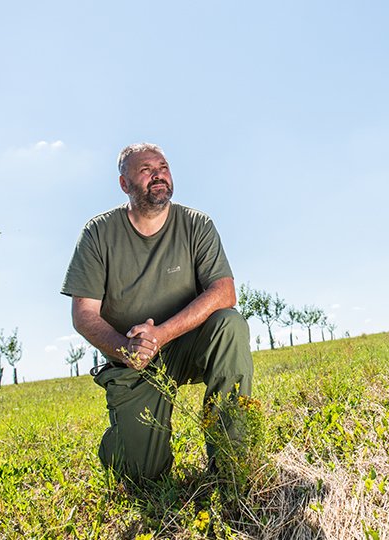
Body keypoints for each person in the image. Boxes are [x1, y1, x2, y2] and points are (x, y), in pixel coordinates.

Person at [61, 142, 253, 483]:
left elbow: (224, 292)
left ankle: (231, 461)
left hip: (187, 345)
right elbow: (84, 314)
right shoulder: (97, 233)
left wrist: (161, 334)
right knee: (143, 475)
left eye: (162, 167)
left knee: (230, 325)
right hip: (133, 359)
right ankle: (120, 443)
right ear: (124, 184)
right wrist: (126, 348)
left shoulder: (196, 224)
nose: (158, 175)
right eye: (146, 170)